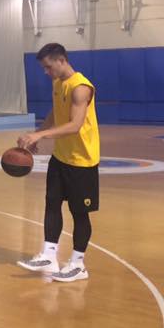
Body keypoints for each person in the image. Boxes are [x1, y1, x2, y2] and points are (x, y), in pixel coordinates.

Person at [17, 43, 100, 282]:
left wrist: (40, 135)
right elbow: (55, 113)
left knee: (79, 213)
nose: (46, 72)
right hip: (61, 156)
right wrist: (36, 135)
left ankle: (78, 264)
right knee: (52, 203)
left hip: (82, 161)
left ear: (61, 60)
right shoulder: (58, 83)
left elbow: (74, 125)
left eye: (48, 67)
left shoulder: (80, 87)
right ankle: (49, 255)